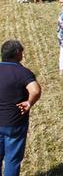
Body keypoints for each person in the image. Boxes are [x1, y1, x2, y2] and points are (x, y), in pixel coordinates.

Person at [0, 40, 42, 176]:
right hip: (14, 123)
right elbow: (35, 90)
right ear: (18, 53)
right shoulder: (22, 72)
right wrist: (29, 103)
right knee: (12, 160)